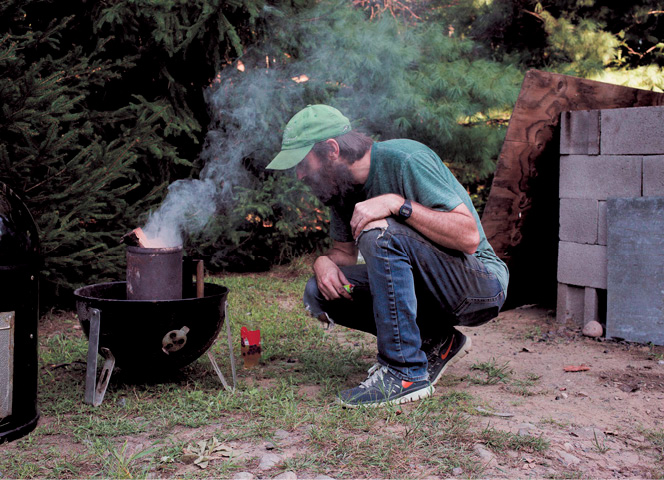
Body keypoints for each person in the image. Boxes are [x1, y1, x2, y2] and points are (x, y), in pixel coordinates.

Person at [266, 104, 508, 408]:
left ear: (331, 150)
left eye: (303, 162)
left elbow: (469, 238)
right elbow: (343, 253)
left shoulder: (406, 159)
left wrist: (397, 204)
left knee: (379, 231)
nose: (299, 174)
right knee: (319, 291)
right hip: (429, 288)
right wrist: (322, 262)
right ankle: (436, 339)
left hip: (479, 285)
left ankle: (403, 373)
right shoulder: (340, 188)